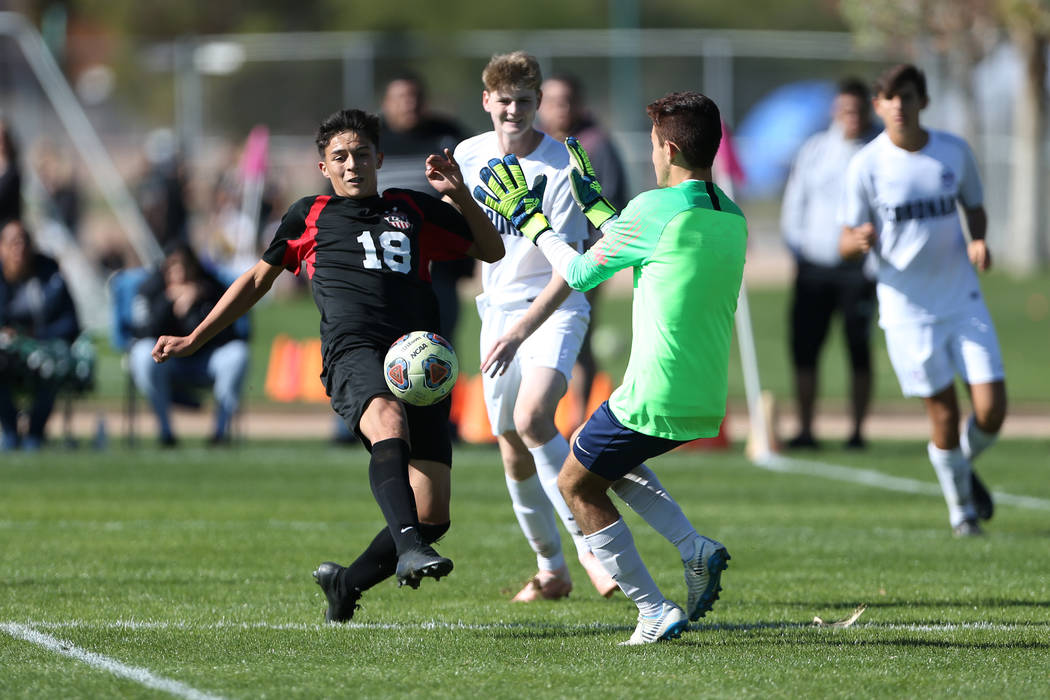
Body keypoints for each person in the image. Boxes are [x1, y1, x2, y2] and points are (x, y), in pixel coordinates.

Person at [151, 108, 504, 620]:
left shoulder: (414, 207)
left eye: (362, 154)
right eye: (340, 157)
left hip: (419, 362)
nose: (352, 164)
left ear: (379, 158)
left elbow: (491, 250)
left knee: (432, 516)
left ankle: (347, 584)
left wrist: (459, 195)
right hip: (352, 350)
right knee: (387, 420)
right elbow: (256, 281)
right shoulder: (308, 214)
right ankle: (408, 551)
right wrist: (195, 336)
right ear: (324, 166)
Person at [473, 91, 746, 644]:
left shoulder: (651, 210)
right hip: (703, 393)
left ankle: (652, 609)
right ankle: (694, 548)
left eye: (651, 145)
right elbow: (654, 242)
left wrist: (531, 220)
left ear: (668, 147)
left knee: (578, 484)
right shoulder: (729, 213)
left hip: (654, 391)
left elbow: (578, 272)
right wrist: (599, 210)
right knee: (598, 458)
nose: (650, 156)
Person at [453, 51, 617, 601]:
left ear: (538, 102)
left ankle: (593, 549)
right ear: (487, 101)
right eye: (504, 101)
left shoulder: (561, 166)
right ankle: (552, 571)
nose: (514, 110)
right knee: (510, 446)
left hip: (553, 306)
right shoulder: (468, 155)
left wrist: (521, 329)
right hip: (497, 311)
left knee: (532, 416)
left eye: (525, 101)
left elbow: (569, 270)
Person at [840, 64, 1006, 537]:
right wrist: (859, 242)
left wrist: (978, 240)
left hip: (963, 298)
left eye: (907, 96)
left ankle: (959, 466)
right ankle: (962, 514)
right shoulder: (866, 165)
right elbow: (845, 242)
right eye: (888, 98)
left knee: (992, 409)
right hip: (906, 309)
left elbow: (974, 207)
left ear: (923, 102)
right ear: (877, 106)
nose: (898, 105)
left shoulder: (952, 152)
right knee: (945, 414)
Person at [780, 78, 879, 450]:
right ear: (835, 112)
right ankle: (806, 428)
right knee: (805, 347)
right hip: (815, 266)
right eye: (844, 110)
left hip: (861, 270)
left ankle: (857, 432)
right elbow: (795, 204)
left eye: (857, 109)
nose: (851, 117)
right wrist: (800, 251)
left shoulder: (880, 149)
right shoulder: (816, 150)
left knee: (858, 348)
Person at [537, 73, 629, 431]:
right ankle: (539, 417)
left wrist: (591, 257)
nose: (560, 108)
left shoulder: (596, 144)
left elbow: (614, 205)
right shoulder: (535, 144)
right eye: (553, 100)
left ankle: (577, 418)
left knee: (577, 335)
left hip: (582, 261)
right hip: (539, 256)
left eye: (567, 100)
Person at [129, 241, 250, 446]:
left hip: (206, 359)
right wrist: (169, 302)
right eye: (173, 266)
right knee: (141, 353)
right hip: (167, 363)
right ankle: (166, 433)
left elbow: (232, 333)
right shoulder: (151, 288)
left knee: (238, 353)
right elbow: (141, 331)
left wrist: (198, 303)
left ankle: (219, 434)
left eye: (184, 265)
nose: (179, 272)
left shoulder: (212, 286)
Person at [0, 220, 81, 450]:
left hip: (46, 347)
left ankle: (35, 433)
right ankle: (10, 431)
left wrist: (36, 335)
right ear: (1, 248)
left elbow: (70, 321)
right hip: (7, 352)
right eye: (13, 243)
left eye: (24, 242)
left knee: (52, 366)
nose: (20, 249)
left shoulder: (49, 274)